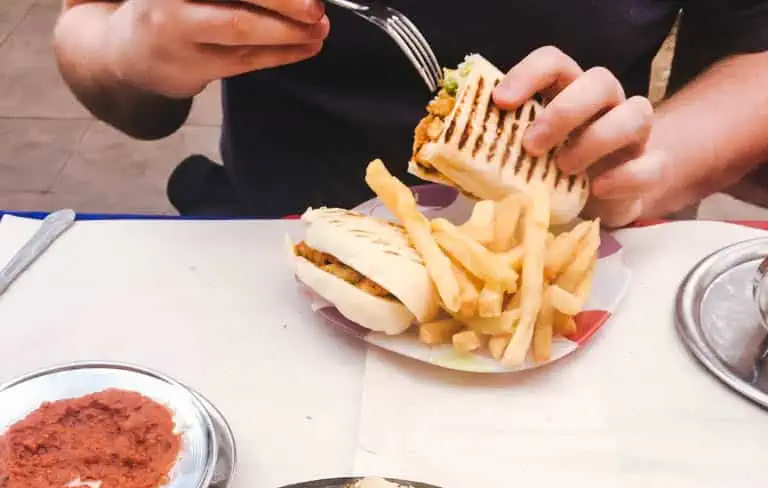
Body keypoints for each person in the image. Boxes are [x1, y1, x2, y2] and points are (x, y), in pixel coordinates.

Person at [54, 0, 768, 225]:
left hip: (579, 276)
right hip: (273, 257)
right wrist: (129, 49)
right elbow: (88, 30)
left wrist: (659, 164)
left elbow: (754, 55)